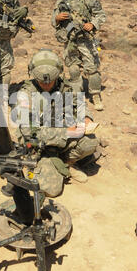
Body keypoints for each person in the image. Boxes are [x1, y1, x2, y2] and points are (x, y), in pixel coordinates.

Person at [13, 49, 100, 198]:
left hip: (61, 136)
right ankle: (40, 165)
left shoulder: (65, 87)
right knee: (52, 190)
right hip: (38, 145)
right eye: (42, 82)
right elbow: (30, 133)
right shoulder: (25, 95)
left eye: (50, 81)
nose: (46, 85)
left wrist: (86, 118)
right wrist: (66, 133)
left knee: (90, 142)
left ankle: (67, 163)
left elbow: (80, 105)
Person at [51, 0, 106, 111]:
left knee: (92, 69)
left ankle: (95, 95)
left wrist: (92, 24)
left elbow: (100, 14)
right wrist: (57, 18)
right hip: (69, 41)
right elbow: (53, 20)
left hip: (85, 39)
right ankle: (77, 95)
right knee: (73, 68)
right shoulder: (60, 0)